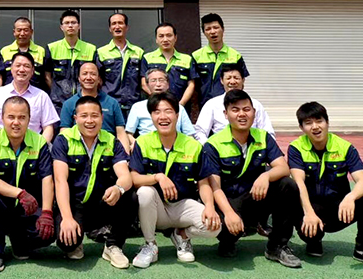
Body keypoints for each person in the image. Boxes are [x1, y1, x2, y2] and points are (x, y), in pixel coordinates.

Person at [201, 90, 302, 268]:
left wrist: (266, 175)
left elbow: (283, 168)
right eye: (235, 110)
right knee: (225, 228)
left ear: (254, 113)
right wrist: (229, 214)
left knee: (287, 185)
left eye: (246, 109)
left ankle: (277, 246)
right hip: (228, 202)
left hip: (255, 198)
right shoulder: (213, 144)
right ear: (226, 114)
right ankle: (227, 241)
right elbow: (215, 187)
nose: (242, 114)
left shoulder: (263, 137)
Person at [288, 102, 363, 268]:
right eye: (308, 123)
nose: (315, 127)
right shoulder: (296, 148)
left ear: (327, 122)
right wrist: (309, 213)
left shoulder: (345, 147)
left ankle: (362, 250)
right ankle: (313, 241)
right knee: (293, 199)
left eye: (319, 121)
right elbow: (299, 183)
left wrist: (351, 197)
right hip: (311, 208)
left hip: (339, 208)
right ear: (301, 128)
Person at [129, 92, 220, 269]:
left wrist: (210, 206)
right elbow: (134, 178)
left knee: (214, 227)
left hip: (183, 207)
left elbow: (203, 183)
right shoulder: (142, 142)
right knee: (145, 192)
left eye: (168, 111)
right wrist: (157, 177)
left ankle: (182, 235)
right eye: (157, 112)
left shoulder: (193, 145)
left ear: (177, 116)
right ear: (151, 117)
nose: (163, 116)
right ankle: (150, 245)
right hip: (156, 209)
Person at [52, 96, 133, 269]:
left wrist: (118, 188)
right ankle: (76, 238)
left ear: (102, 118)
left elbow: (125, 176)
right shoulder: (63, 140)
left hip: (102, 202)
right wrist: (67, 218)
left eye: (94, 116)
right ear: (75, 118)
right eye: (84, 116)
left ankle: (113, 246)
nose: (89, 121)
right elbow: (60, 180)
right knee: (67, 243)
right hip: (74, 204)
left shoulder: (111, 141)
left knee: (129, 195)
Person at [0, 96, 56, 272]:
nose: (16, 122)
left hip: (28, 208)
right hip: (1, 207)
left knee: (52, 231)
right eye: (11, 117)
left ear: (29, 119)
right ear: (2, 118)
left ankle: (20, 240)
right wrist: (20, 193)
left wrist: (47, 213)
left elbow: (47, 179)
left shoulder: (40, 142)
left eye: (22, 117)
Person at [0, 51, 59, 143]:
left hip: (33, 147)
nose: (21, 70)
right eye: (18, 65)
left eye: (26, 66)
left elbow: (48, 128)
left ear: (33, 71)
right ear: (11, 69)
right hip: (1, 146)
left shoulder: (41, 96)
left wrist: (39, 148)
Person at [59, 62, 129, 152]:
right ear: (79, 78)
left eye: (93, 74)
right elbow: (64, 133)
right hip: (78, 152)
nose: (88, 77)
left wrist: (125, 156)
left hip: (108, 151)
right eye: (84, 74)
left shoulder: (112, 103)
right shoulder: (69, 104)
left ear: (99, 78)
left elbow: (121, 133)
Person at [194, 67, 274, 144]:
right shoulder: (212, 104)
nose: (232, 82)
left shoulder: (255, 104)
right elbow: (200, 131)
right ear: (222, 80)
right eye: (228, 78)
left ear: (243, 80)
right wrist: (210, 148)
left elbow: (268, 133)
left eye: (236, 78)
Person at [192, 13, 249, 108]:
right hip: (204, 105)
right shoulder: (196, 56)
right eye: (208, 29)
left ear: (223, 29)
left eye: (216, 27)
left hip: (230, 104)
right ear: (204, 33)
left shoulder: (235, 56)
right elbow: (193, 86)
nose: (212, 32)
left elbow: (241, 83)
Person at [46, 9, 98, 112]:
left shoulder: (90, 49)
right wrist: (57, 93)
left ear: (79, 26)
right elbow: (47, 76)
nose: (70, 26)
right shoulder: (52, 48)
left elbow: (97, 76)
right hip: (59, 104)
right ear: (61, 27)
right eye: (67, 23)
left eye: (73, 23)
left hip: (84, 102)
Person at [97, 13, 145, 119]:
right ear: (110, 29)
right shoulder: (101, 52)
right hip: (109, 105)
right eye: (114, 24)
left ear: (127, 27)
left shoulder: (138, 52)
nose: (117, 26)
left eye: (120, 23)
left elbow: (143, 81)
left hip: (134, 105)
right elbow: (98, 81)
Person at [126, 68, 195, 141]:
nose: (158, 84)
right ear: (147, 85)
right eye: (153, 80)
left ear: (168, 84)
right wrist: (136, 145)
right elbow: (128, 133)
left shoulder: (179, 107)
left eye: (161, 80)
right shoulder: (137, 107)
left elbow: (189, 135)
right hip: (147, 145)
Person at [142, 22, 197, 105]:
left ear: (175, 38)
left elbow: (191, 85)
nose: (165, 39)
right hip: (154, 106)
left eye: (169, 35)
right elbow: (143, 83)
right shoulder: (147, 58)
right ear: (156, 39)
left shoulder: (187, 59)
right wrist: (158, 101)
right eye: (161, 36)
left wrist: (181, 104)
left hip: (181, 106)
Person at [0, 16, 51, 91]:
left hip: (34, 95)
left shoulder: (41, 51)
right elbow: (0, 77)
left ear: (31, 32)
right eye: (19, 30)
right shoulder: (4, 51)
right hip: (10, 95)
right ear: (14, 32)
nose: (22, 33)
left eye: (26, 30)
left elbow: (47, 77)